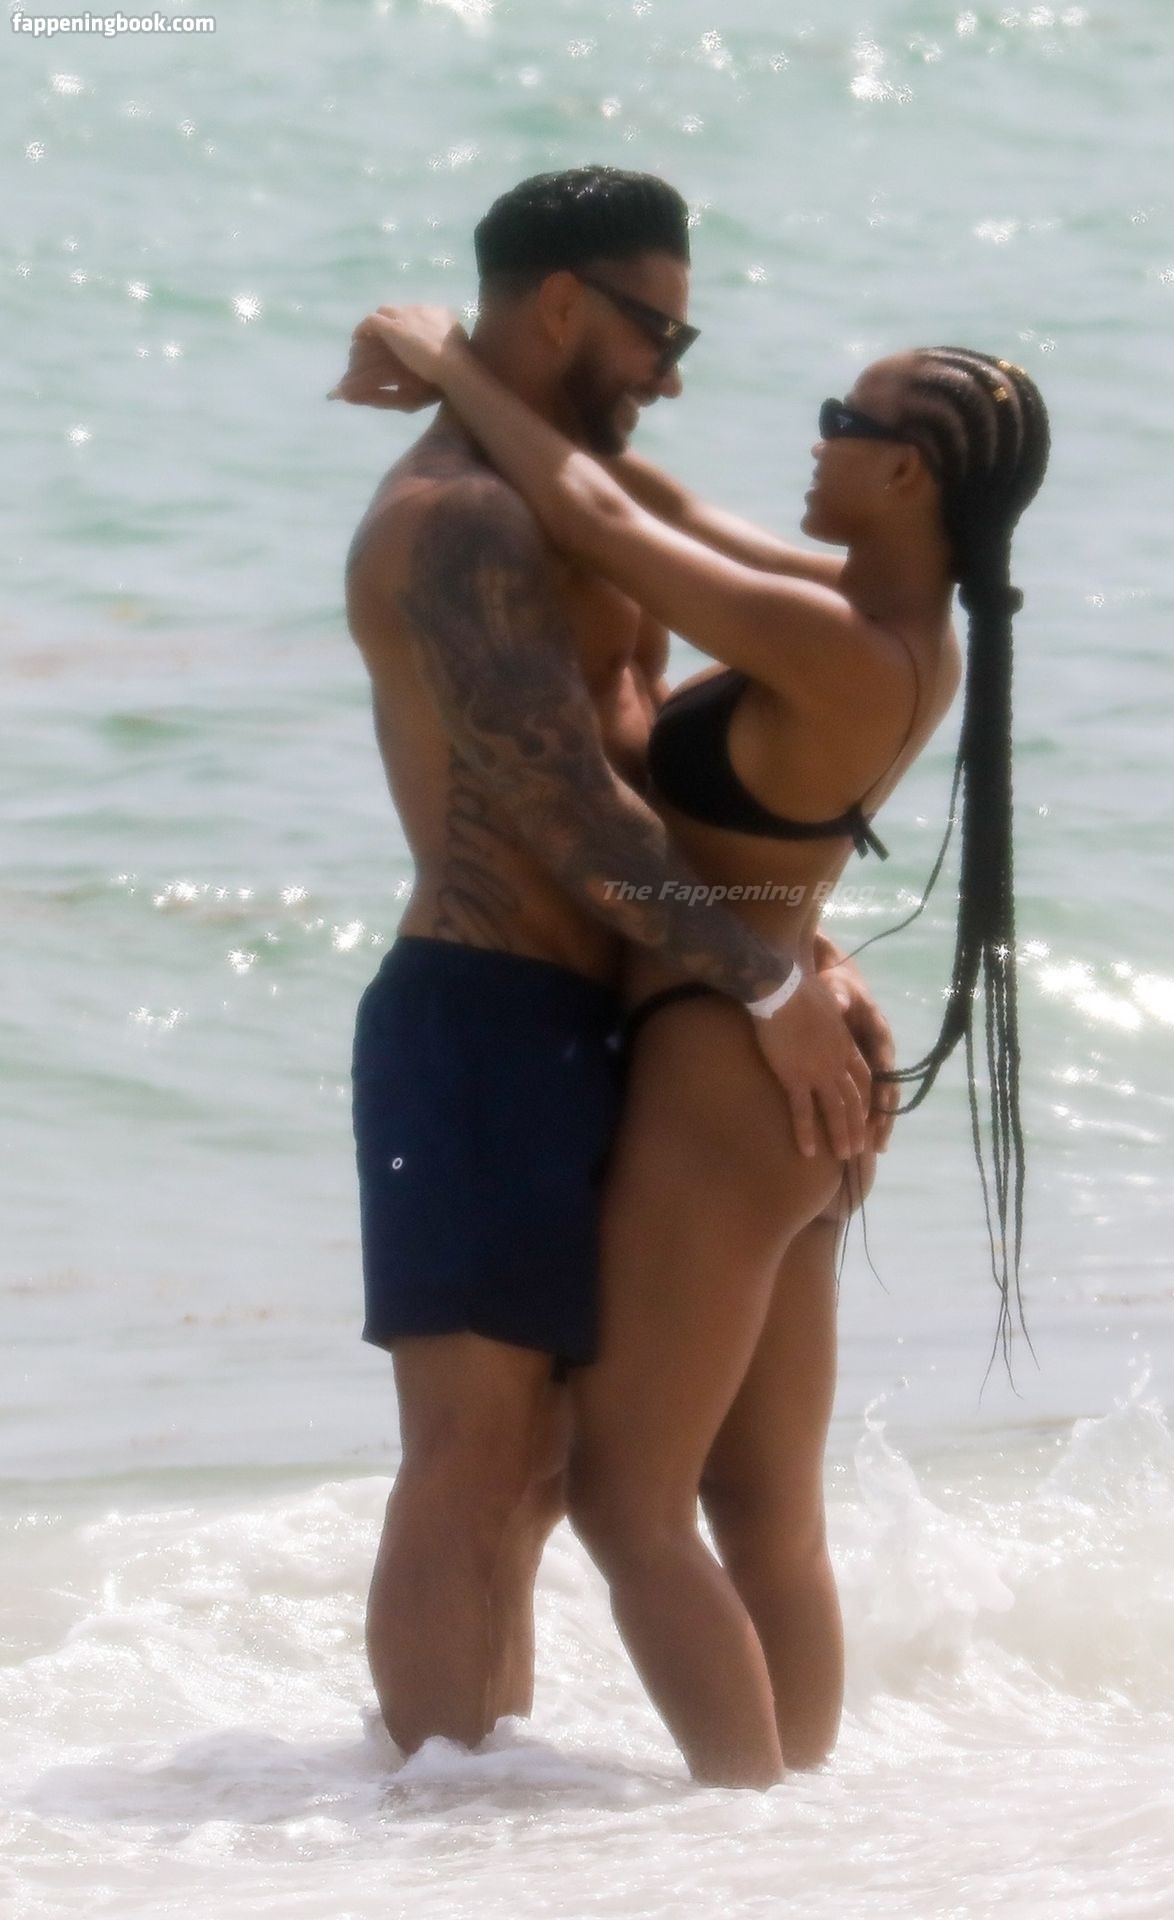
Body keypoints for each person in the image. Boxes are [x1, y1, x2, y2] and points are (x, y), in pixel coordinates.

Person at [345, 297, 1051, 1788]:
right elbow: (640, 498)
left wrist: (452, 359)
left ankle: (745, 1831)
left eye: (846, 423)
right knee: (766, 1513)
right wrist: (486, 378)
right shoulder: (889, 626)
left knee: (631, 1506)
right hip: (787, 1081)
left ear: (907, 472)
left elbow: (603, 515)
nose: (817, 438)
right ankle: (801, 1832)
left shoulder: (828, 633)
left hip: (726, 1069)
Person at [330, 168, 890, 1767]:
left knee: (560, 1467)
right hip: (482, 1016)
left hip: (618, 1020)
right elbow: (565, 809)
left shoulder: (583, 504)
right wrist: (766, 991)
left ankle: (527, 1816)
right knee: (477, 1456)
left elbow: (673, 775)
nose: (674, 372)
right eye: (661, 332)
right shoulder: (462, 520)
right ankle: (434, 1827)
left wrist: (803, 947)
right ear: (563, 303)